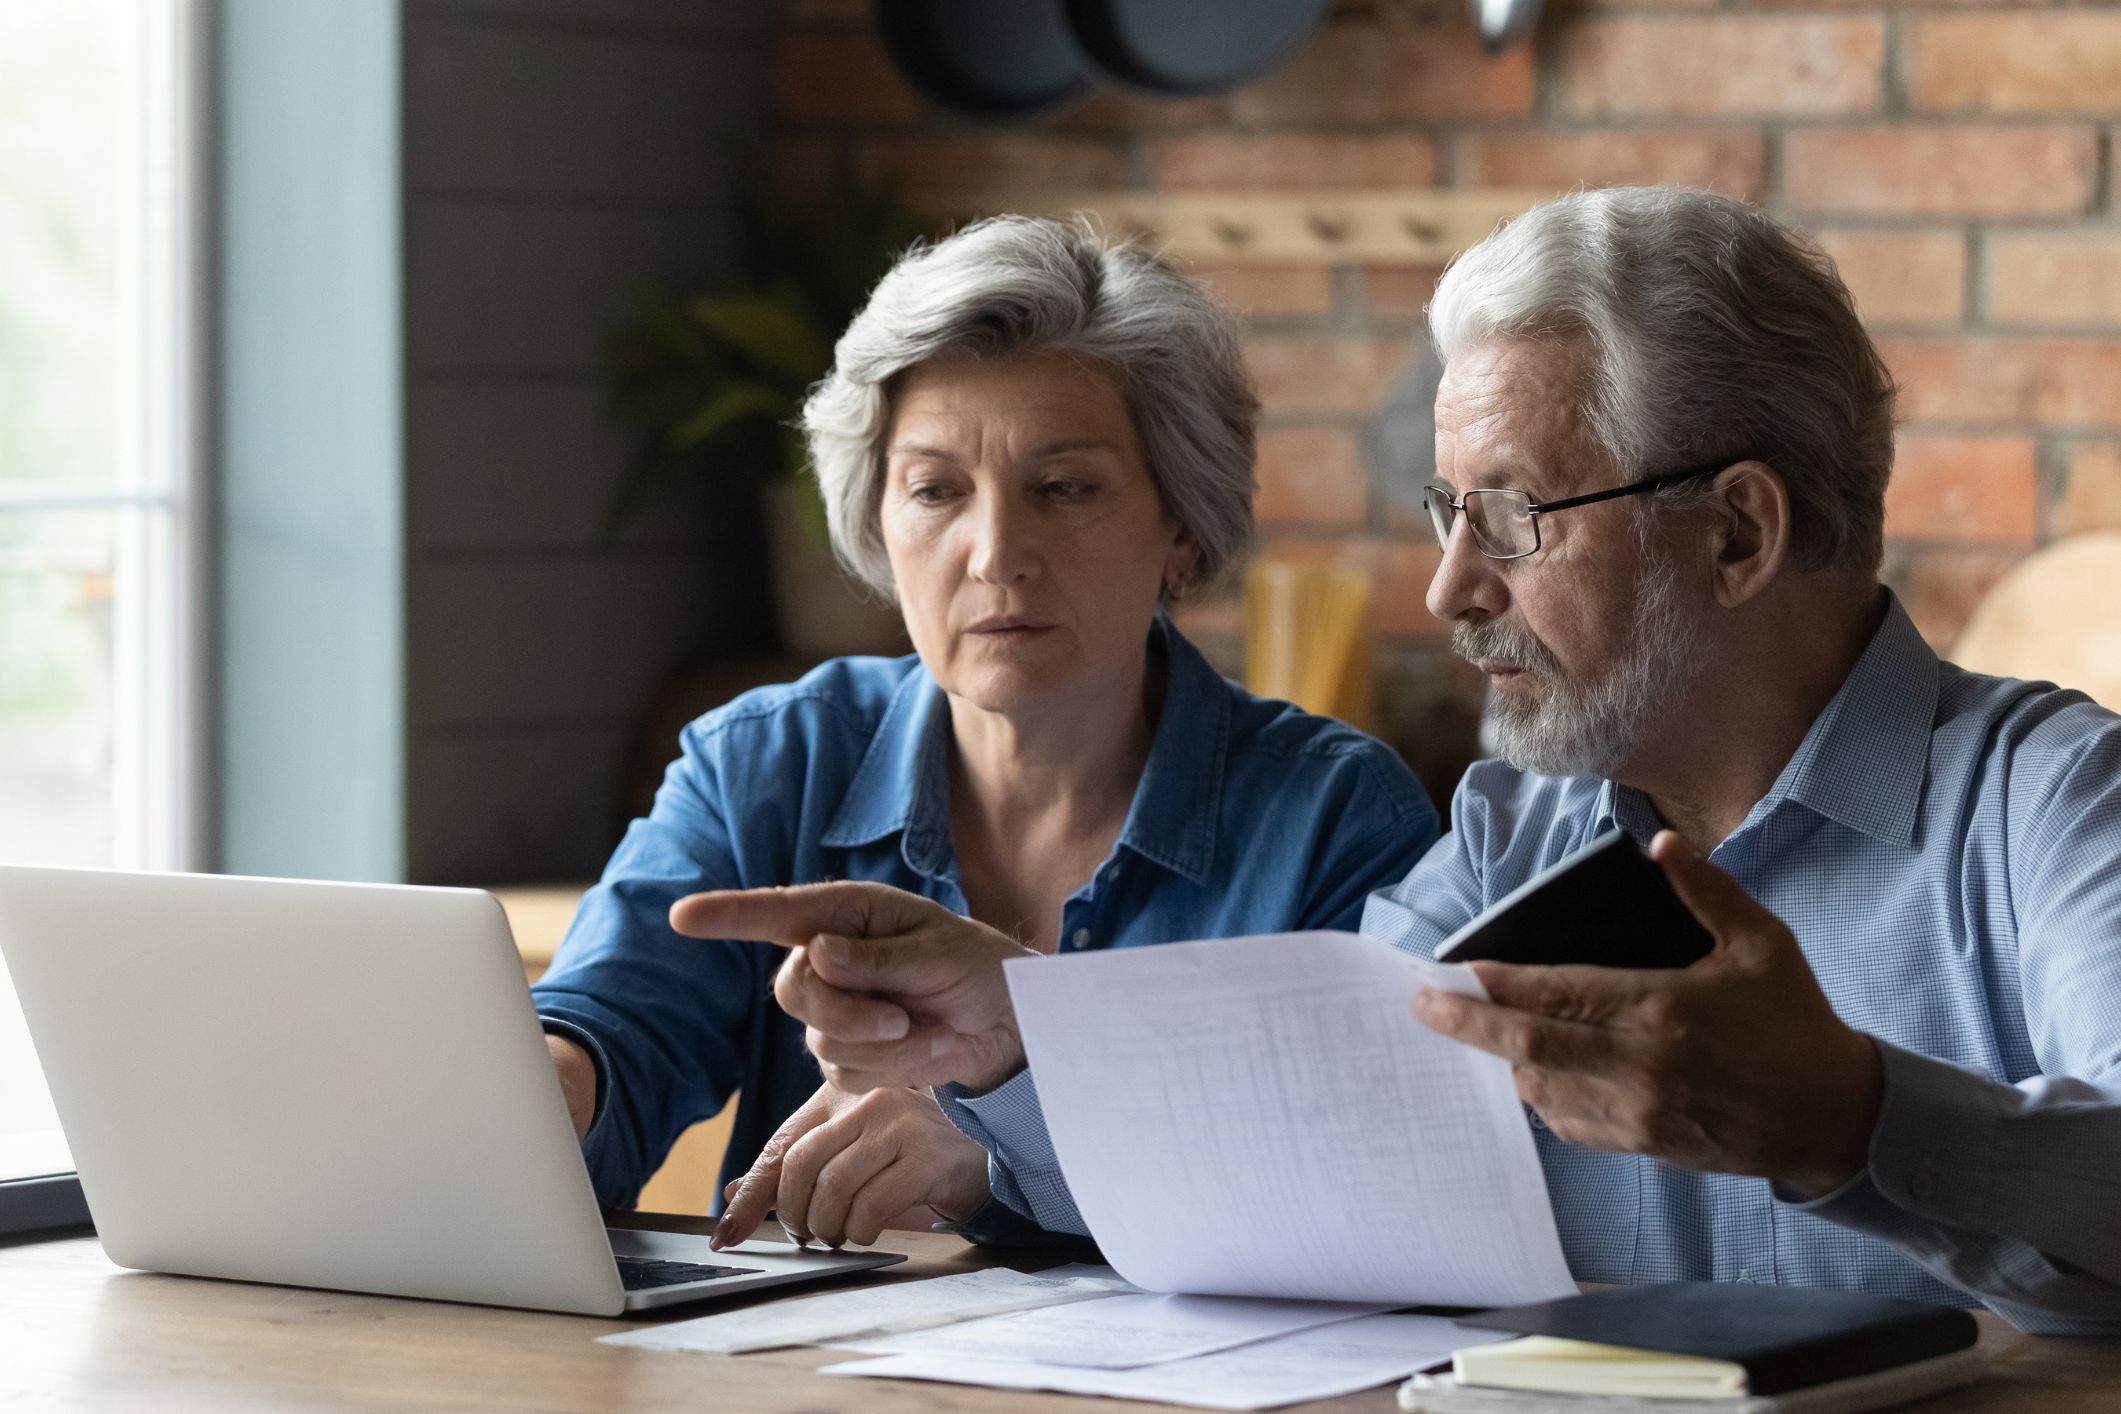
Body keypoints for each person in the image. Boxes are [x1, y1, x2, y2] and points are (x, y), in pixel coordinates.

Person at [687, 187, 2121, 1336]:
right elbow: (1285, 1139)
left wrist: (1847, 1117)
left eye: (1513, 516)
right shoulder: (1512, 836)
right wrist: (1017, 1032)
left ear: (1737, 532)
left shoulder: (2055, 805)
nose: (1447, 588)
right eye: (1447, 511)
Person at [530, 216, 1440, 1251]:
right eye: (935, 491)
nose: (996, 553)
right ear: (878, 527)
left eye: (1064, 488)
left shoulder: (1336, 820)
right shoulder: (767, 764)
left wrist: (1004, 1159)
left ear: (1182, 530)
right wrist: (553, 1088)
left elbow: (1366, 1181)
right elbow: (615, 1024)